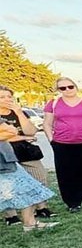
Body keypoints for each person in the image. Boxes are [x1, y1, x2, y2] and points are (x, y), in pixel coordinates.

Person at [43, 76, 82, 212]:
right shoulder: (53, 103)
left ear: (76, 86)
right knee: (66, 174)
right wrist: (51, 140)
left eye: (70, 86)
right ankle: (73, 203)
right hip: (62, 144)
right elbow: (47, 123)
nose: (67, 90)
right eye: (62, 88)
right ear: (58, 90)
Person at [0, 85, 55, 222]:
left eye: (9, 96)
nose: (7, 99)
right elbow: (10, 135)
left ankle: (41, 207)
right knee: (7, 185)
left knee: (39, 177)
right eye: (2, 97)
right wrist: (22, 137)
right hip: (4, 152)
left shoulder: (19, 112)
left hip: (24, 150)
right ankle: (11, 215)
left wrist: (19, 113)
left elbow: (31, 131)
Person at [0, 127, 58, 232]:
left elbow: (11, 130)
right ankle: (29, 223)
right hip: (3, 163)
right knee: (27, 188)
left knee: (29, 188)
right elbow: (11, 131)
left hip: (7, 160)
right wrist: (19, 136)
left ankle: (30, 223)